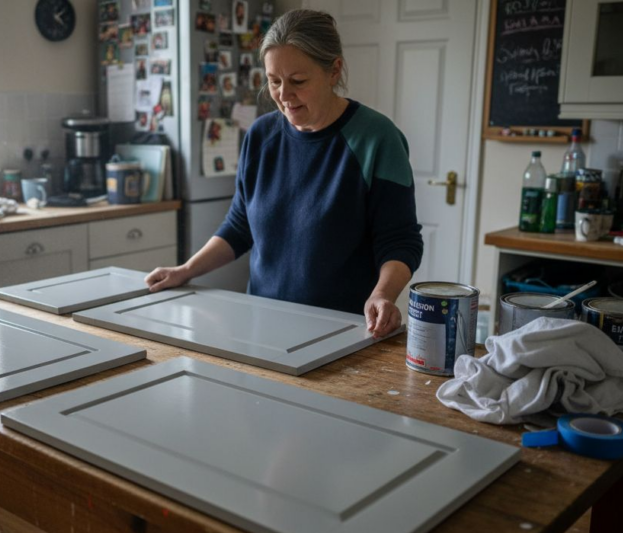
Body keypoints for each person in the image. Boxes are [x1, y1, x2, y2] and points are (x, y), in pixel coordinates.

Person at [146, 9, 423, 339]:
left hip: (343, 331)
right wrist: (185, 270)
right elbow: (240, 225)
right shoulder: (261, 136)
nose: (283, 95)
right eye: (274, 81)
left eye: (298, 81)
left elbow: (400, 240)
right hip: (263, 323)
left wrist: (383, 294)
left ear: (334, 71)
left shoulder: (377, 138)